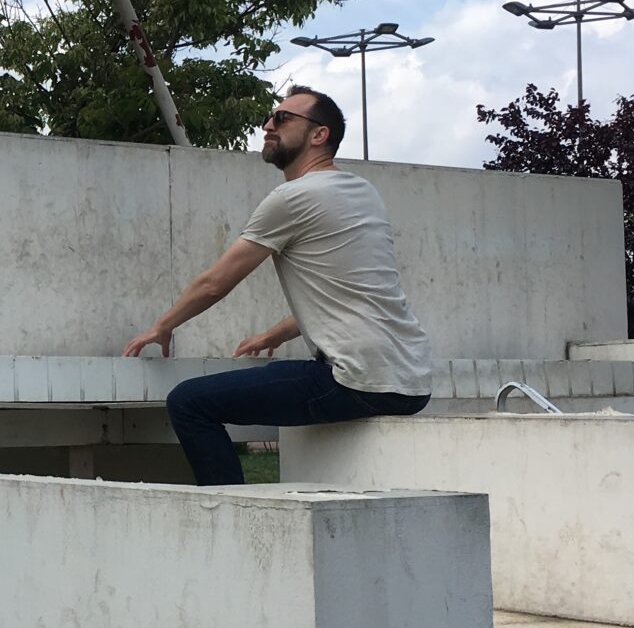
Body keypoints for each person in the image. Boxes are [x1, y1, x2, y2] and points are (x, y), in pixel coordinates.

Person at [122, 86, 433, 485]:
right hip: (411, 381)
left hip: (354, 381)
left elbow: (216, 283)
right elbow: (350, 294)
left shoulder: (294, 196)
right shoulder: (362, 192)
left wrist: (162, 326)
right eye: (268, 118)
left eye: (283, 119)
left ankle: (232, 520)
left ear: (319, 135)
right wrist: (273, 333)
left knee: (188, 403)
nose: (269, 125)